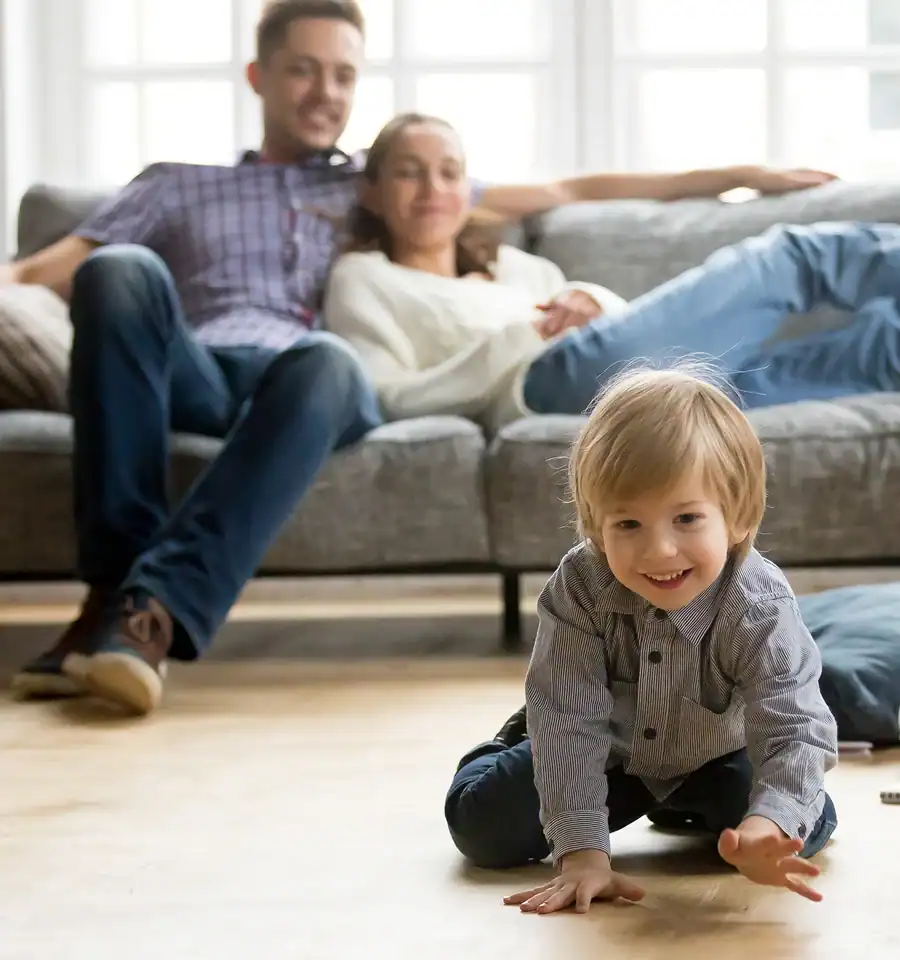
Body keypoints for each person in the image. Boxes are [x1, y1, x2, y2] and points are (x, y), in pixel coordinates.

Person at [0, 0, 835, 716]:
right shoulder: (175, 183)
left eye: (343, 75)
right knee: (117, 270)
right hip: (198, 367)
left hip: (310, 385)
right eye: (302, 70)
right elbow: (37, 274)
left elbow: (574, 193)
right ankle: (113, 596)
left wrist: (739, 172)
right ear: (259, 77)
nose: (325, 93)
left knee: (327, 361)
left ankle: (146, 612)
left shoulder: (375, 180)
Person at [444, 366, 839, 914]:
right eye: (628, 525)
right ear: (595, 527)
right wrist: (581, 854)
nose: (658, 551)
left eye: (687, 518)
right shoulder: (582, 586)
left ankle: (690, 805)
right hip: (608, 750)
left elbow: (793, 725)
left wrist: (765, 824)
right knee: (482, 828)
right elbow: (570, 721)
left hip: (717, 754)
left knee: (802, 826)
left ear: (739, 518)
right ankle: (512, 739)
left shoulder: (758, 602)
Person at [323, 111, 900, 429]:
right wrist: (519, 338)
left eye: (449, 173)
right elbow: (387, 399)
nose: (433, 190)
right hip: (544, 384)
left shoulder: (516, 269)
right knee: (788, 258)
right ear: (372, 193)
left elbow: (620, 331)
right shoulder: (365, 278)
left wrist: (588, 299)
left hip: (622, 379)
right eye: (409, 173)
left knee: (870, 352)